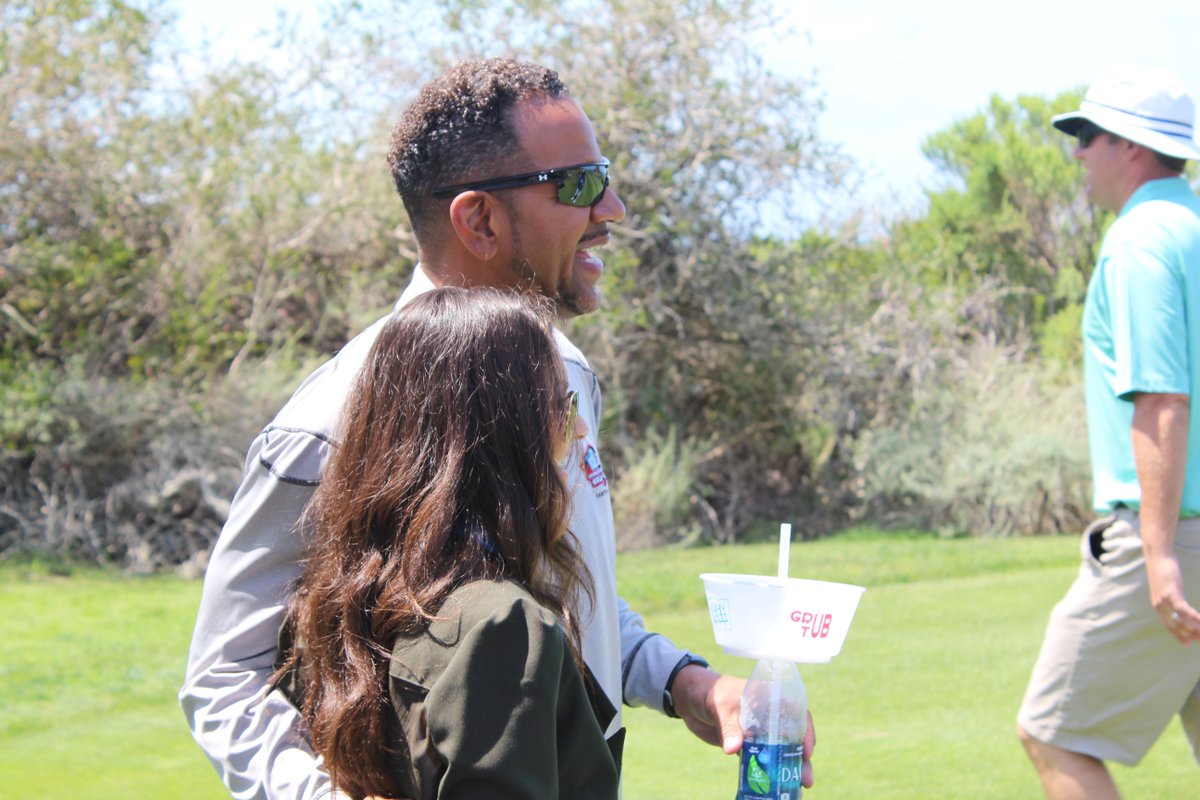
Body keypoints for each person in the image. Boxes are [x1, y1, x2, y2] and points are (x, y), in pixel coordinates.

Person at [181, 58, 815, 798]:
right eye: (579, 185)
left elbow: (562, 585)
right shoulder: (332, 420)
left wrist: (686, 683)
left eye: (603, 176)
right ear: (478, 218)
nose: (611, 210)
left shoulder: (565, 375)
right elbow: (226, 676)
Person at [275, 287, 618, 800]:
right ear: (507, 434)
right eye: (562, 404)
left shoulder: (336, 595)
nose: (581, 426)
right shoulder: (502, 625)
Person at [1017, 66, 1200, 799]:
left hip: (1170, 537)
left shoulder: (1140, 243)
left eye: (1086, 137)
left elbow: (1161, 402)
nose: (1077, 155)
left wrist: (1157, 555)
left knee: (1055, 735)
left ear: (1129, 146)